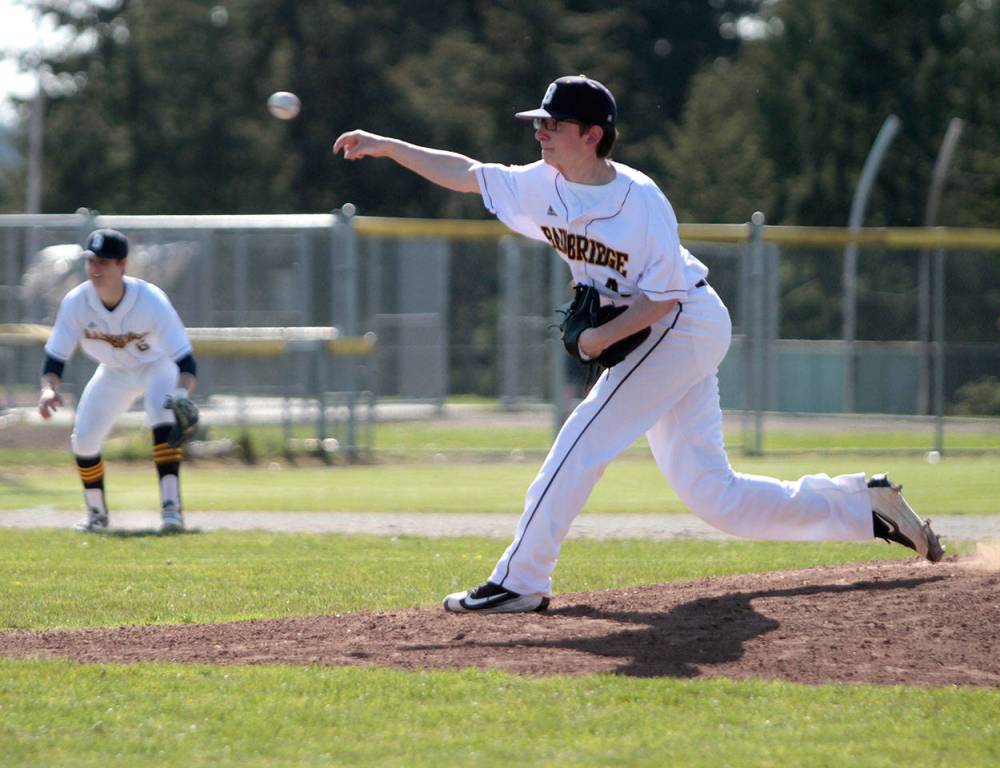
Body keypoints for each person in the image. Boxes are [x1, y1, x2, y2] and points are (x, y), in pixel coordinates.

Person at [333, 75, 944, 614]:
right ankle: (865, 506)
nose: (540, 132)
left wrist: (598, 337)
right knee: (717, 497)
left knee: (580, 441)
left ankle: (520, 580)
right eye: (539, 122)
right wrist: (387, 145)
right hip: (658, 329)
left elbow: (664, 300)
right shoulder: (542, 184)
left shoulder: (639, 202)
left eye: (553, 124)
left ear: (592, 135)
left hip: (682, 323)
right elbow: (467, 174)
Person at [38, 228, 198, 533]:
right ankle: (96, 515)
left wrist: (181, 393)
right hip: (113, 372)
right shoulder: (77, 302)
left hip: (156, 366)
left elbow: (186, 363)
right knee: (84, 439)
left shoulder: (151, 300)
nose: (95, 268)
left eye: (104, 262)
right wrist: (48, 390)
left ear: (122, 264)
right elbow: (55, 357)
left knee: (162, 415)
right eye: (91, 260)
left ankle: (171, 510)